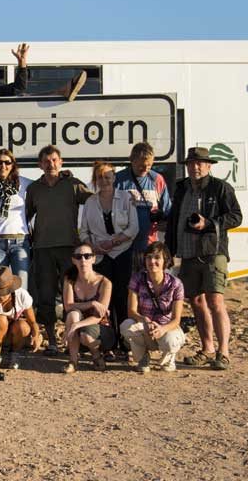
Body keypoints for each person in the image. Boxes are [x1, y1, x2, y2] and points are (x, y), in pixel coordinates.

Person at [166, 147, 243, 371]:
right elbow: (174, 219)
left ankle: (224, 352)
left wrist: (208, 223)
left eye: (200, 163)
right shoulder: (181, 188)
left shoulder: (220, 188)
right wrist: (170, 249)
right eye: (191, 163)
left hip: (213, 252)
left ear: (209, 166)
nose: (195, 167)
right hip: (188, 253)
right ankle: (207, 349)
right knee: (196, 302)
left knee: (215, 301)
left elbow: (236, 216)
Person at [24, 145, 92, 354]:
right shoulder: (34, 189)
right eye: (46, 161)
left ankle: (74, 338)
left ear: (61, 162)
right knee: (45, 296)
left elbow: (94, 202)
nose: (50, 164)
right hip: (43, 249)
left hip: (69, 249)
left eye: (54, 160)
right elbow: (25, 217)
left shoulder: (72, 184)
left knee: (72, 296)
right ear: (40, 165)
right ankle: (52, 340)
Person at [78, 160, 139, 356]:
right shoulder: (90, 202)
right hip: (100, 256)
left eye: (108, 176)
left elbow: (133, 228)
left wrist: (114, 243)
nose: (104, 180)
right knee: (105, 299)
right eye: (100, 177)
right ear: (95, 180)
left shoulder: (126, 198)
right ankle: (108, 343)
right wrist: (94, 247)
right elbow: (83, 231)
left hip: (121, 253)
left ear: (114, 177)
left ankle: (126, 344)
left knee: (122, 297)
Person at [120, 242, 186, 373]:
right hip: (145, 326)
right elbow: (131, 311)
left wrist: (162, 329)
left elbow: (176, 319)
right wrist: (144, 319)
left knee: (171, 341)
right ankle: (142, 358)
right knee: (127, 326)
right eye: (149, 257)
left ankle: (169, 358)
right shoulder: (137, 279)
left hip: (166, 327)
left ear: (165, 261)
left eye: (157, 258)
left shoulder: (176, 284)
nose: (152, 261)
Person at [0, 148, 33, 293]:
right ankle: (2, 316)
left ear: (13, 165)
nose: (3, 166)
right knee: (0, 289)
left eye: (7, 162)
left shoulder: (24, 183)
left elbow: (46, 183)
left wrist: (64, 175)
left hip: (20, 242)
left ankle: (20, 316)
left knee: (21, 290)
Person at [114, 142, 171, 272]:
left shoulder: (157, 179)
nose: (145, 169)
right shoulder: (119, 179)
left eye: (149, 165)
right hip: (124, 246)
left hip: (149, 245)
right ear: (132, 161)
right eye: (141, 166)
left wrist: (165, 222)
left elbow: (168, 209)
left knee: (148, 285)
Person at [61, 242, 115, 373]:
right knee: (72, 314)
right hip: (77, 332)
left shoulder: (105, 282)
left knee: (86, 335)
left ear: (93, 259)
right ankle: (73, 361)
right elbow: (68, 306)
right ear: (73, 260)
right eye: (78, 256)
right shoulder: (69, 279)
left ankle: (97, 356)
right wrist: (91, 303)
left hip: (100, 331)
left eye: (87, 256)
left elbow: (99, 316)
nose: (83, 260)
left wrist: (75, 326)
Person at [0, 266, 41, 377]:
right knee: (1, 319)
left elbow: (33, 322)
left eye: (4, 292)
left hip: (10, 332)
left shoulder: (22, 294)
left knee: (23, 326)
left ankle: (14, 354)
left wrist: (36, 335)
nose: (1, 296)